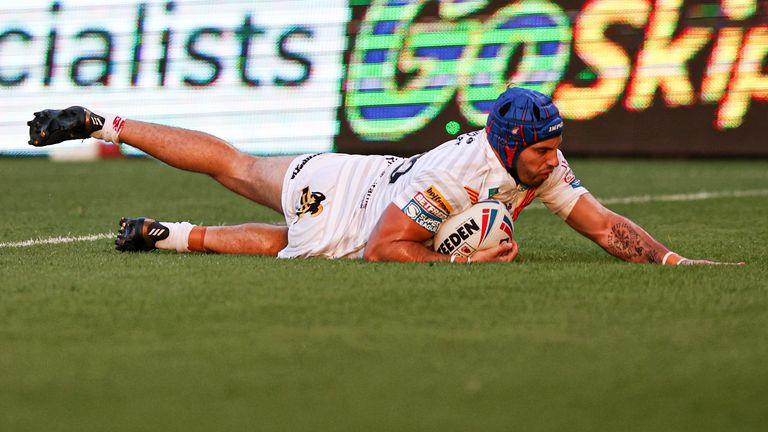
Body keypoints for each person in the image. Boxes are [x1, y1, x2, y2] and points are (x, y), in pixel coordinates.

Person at [27, 88, 738, 265]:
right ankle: (103, 126)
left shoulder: (533, 161)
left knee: (245, 177)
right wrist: (457, 263)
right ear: (513, 144)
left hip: (353, 173)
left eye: (557, 149)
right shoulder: (457, 173)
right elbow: (384, 250)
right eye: (546, 151)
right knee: (284, 229)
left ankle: (165, 234)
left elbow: (600, 221)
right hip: (349, 205)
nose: (556, 161)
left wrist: (672, 260)